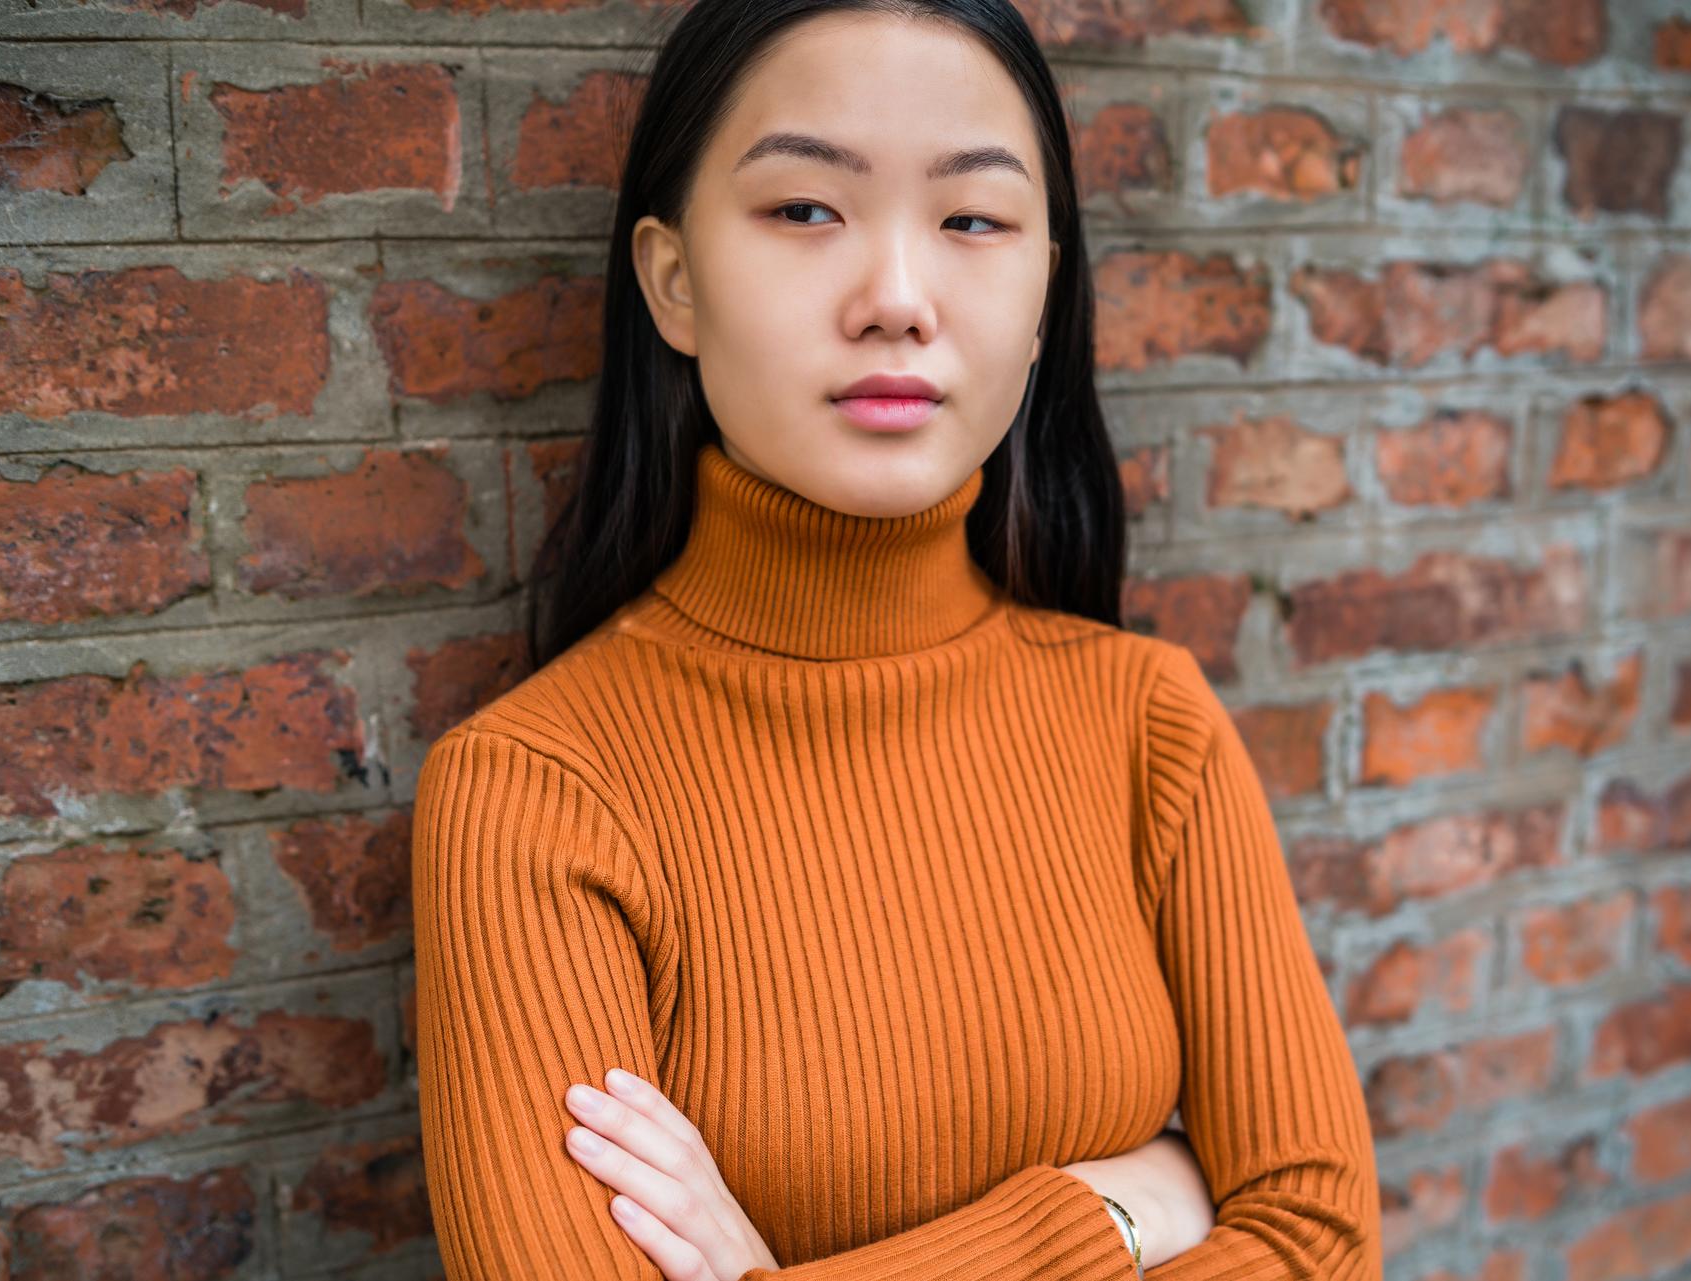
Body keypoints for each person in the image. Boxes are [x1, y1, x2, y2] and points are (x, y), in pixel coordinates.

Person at [409, 0, 1383, 1275]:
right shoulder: (536, 797)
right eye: (807, 210)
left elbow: (1320, 1238)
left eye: (973, 219)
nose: (898, 299)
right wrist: (1122, 1209)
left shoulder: (1149, 724)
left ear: (1045, 298)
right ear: (674, 280)